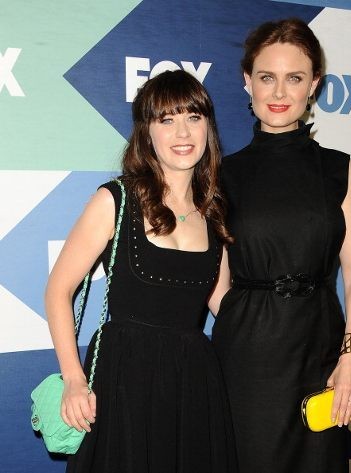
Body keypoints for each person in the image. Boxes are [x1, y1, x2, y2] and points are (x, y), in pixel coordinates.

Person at [45, 70, 237, 473]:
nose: (183, 132)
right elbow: (58, 290)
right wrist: (74, 379)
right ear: (146, 132)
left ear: (208, 127)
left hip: (193, 384)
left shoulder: (214, 212)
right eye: (166, 120)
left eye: (194, 117)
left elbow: (226, 307)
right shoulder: (115, 200)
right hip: (123, 379)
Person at [209, 18, 351, 473]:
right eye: (267, 77)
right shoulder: (221, 175)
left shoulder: (338, 169)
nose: (279, 92)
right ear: (247, 81)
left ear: (314, 85)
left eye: (295, 78)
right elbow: (214, 278)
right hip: (247, 360)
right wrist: (247, 320)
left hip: (321, 352)